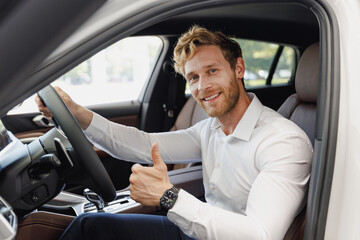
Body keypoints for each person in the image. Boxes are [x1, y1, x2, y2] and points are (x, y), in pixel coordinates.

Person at [36, 25, 313, 240]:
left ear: (238, 68)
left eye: (212, 70)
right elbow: (142, 143)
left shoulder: (282, 141)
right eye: (193, 77)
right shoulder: (210, 129)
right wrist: (78, 113)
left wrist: (169, 197)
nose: (202, 87)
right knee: (89, 227)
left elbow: (260, 235)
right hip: (195, 232)